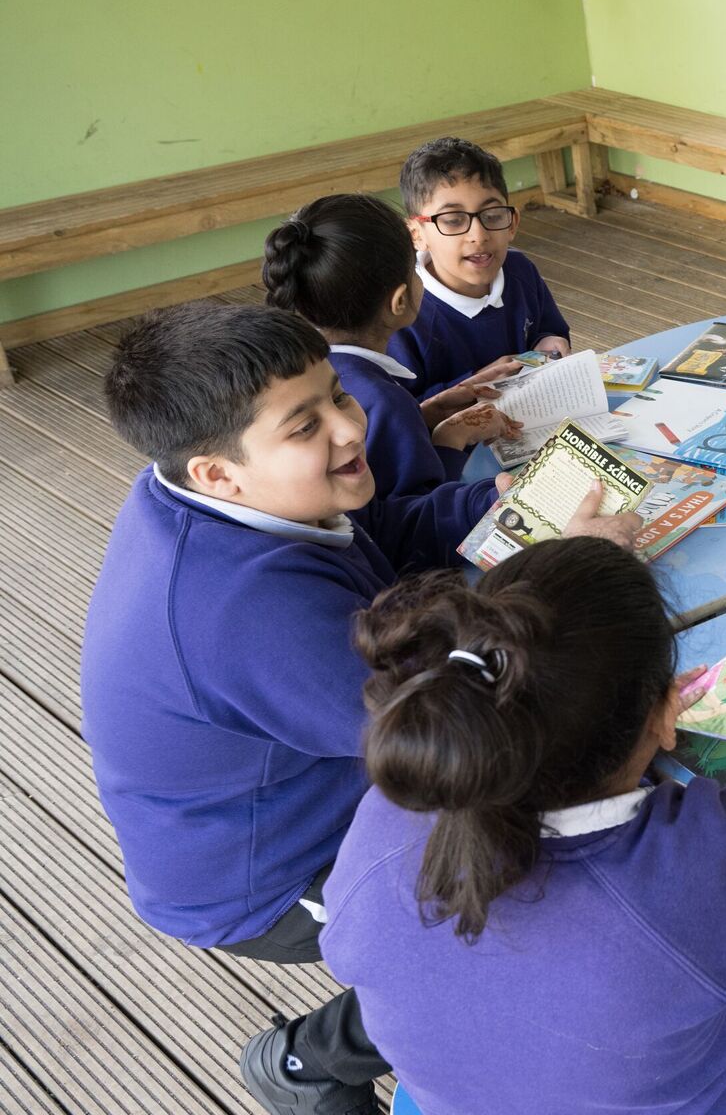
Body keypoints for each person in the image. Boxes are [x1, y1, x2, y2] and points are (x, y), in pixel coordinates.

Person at [78, 302, 636, 1114]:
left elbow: (382, 529)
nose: (349, 428)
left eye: (338, 395)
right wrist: (560, 573)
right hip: (268, 871)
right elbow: (449, 728)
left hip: (332, 761)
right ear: (216, 472)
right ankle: (307, 1061)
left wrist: (503, 512)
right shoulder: (245, 611)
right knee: (529, 913)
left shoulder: (240, 485)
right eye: (306, 426)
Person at [320, 537, 726, 1113]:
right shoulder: (702, 862)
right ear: (664, 716)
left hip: (458, 1098)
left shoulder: (394, 805)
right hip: (713, 1095)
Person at [262, 193, 521, 498]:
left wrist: (423, 414)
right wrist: (451, 438)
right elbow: (420, 519)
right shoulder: (384, 398)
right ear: (399, 301)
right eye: (414, 270)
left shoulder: (315, 371)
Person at [388, 136, 573, 398]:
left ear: (512, 223)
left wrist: (549, 342)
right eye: (452, 220)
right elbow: (400, 414)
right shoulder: (402, 316)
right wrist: (475, 385)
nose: (479, 235)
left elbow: (549, 328)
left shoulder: (520, 270)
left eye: (493, 216)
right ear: (417, 234)